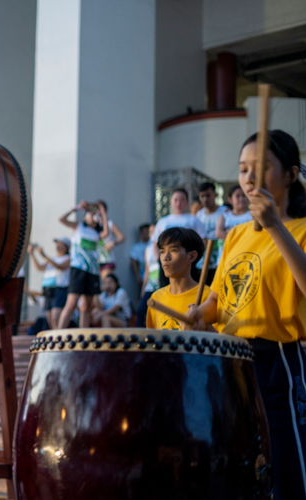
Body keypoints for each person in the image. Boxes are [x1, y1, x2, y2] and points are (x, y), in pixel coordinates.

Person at [186, 130, 306, 499]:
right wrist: (200, 313)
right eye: (242, 170)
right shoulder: (236, 236)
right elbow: (222, 298)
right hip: (230, 359)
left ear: (291, 174)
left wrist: (274, 225)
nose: (249, 179)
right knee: (237, 459)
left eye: (262, 168)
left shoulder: (301, 228)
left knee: (285, 461)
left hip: (276, 359)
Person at [145, 227, 211, 330]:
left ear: (192, 256)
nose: (165, 257)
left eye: (173, 250)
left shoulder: (208, 297)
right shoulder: (156, 298)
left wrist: (206, 329)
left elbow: (223, 340)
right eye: (162, 251)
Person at [57, 201, 108, 328]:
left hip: (93, 271)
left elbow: (106, 232)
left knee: (86, 307)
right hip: (78, 269)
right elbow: (61, 219)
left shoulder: (97, 233)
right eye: (90, 213)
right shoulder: (79, 227)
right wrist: (76, 208)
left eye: (95, 214)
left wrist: (103, 213)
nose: (93, 216)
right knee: (72, 303)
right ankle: (58, 335)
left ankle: (82, 336)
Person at [151, 188, 205, 288]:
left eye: (182, 200)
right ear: (171, 202)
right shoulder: (163, 221)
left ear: (187, 202)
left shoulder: (194, 220)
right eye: (175, 200)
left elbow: (203, 242)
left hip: (188, 264)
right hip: (167, 265)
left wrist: (193, 260)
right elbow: (155, 244)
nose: (178, 203)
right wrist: (159, 259)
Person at [27, 238, 70, 329]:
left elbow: (60, 266)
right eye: (57, 244)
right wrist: (31, 254)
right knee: (50, 320)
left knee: (56, 317)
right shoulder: (53, 259)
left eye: (61, 244)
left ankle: (61, 339)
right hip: (48, 291)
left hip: (60, 290)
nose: (58, 246)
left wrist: (43, 255)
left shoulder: (68, 258)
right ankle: (56, 340)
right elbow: (39, 267)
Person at [195, 182, 227, 285]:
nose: (205, 199)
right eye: (202, 196)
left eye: (208, 195)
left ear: (215, 195)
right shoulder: (199, 215)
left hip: (221, 262)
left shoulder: (225, 212)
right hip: (202, 264)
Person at [215, 185, 252, 267]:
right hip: (225, 259)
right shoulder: (224, 216)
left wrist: (229, 233)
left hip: (247, 259)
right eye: (237, 196)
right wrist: (242, 234)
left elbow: (253, 235)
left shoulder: (252, 215)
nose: (241, 199)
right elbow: (218, 233)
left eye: (244, 195)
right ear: (230, 200)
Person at [95, 200, 125, 278]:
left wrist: (113, 243)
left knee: (107, 283)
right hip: (95, 259)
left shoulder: (110, 223)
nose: (98, 211)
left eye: (100, 209)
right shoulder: (93, 225)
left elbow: (121, 237)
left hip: (106, 259)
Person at [136, 223, 157, 327]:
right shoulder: (147, 250)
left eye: (154, 231)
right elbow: (147, 270)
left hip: (162, 286)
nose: (151, 234)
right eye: (150, 232)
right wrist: (143, 289)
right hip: (150, 286)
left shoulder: (163, 248)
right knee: (141, 310)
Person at [130, 223, 151, 292]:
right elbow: (133, 261)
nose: (145, 234)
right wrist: (138, 276)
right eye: (143, 232)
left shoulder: (154, 245)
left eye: (147, 232)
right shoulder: (137, 247)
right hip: (142, 277)